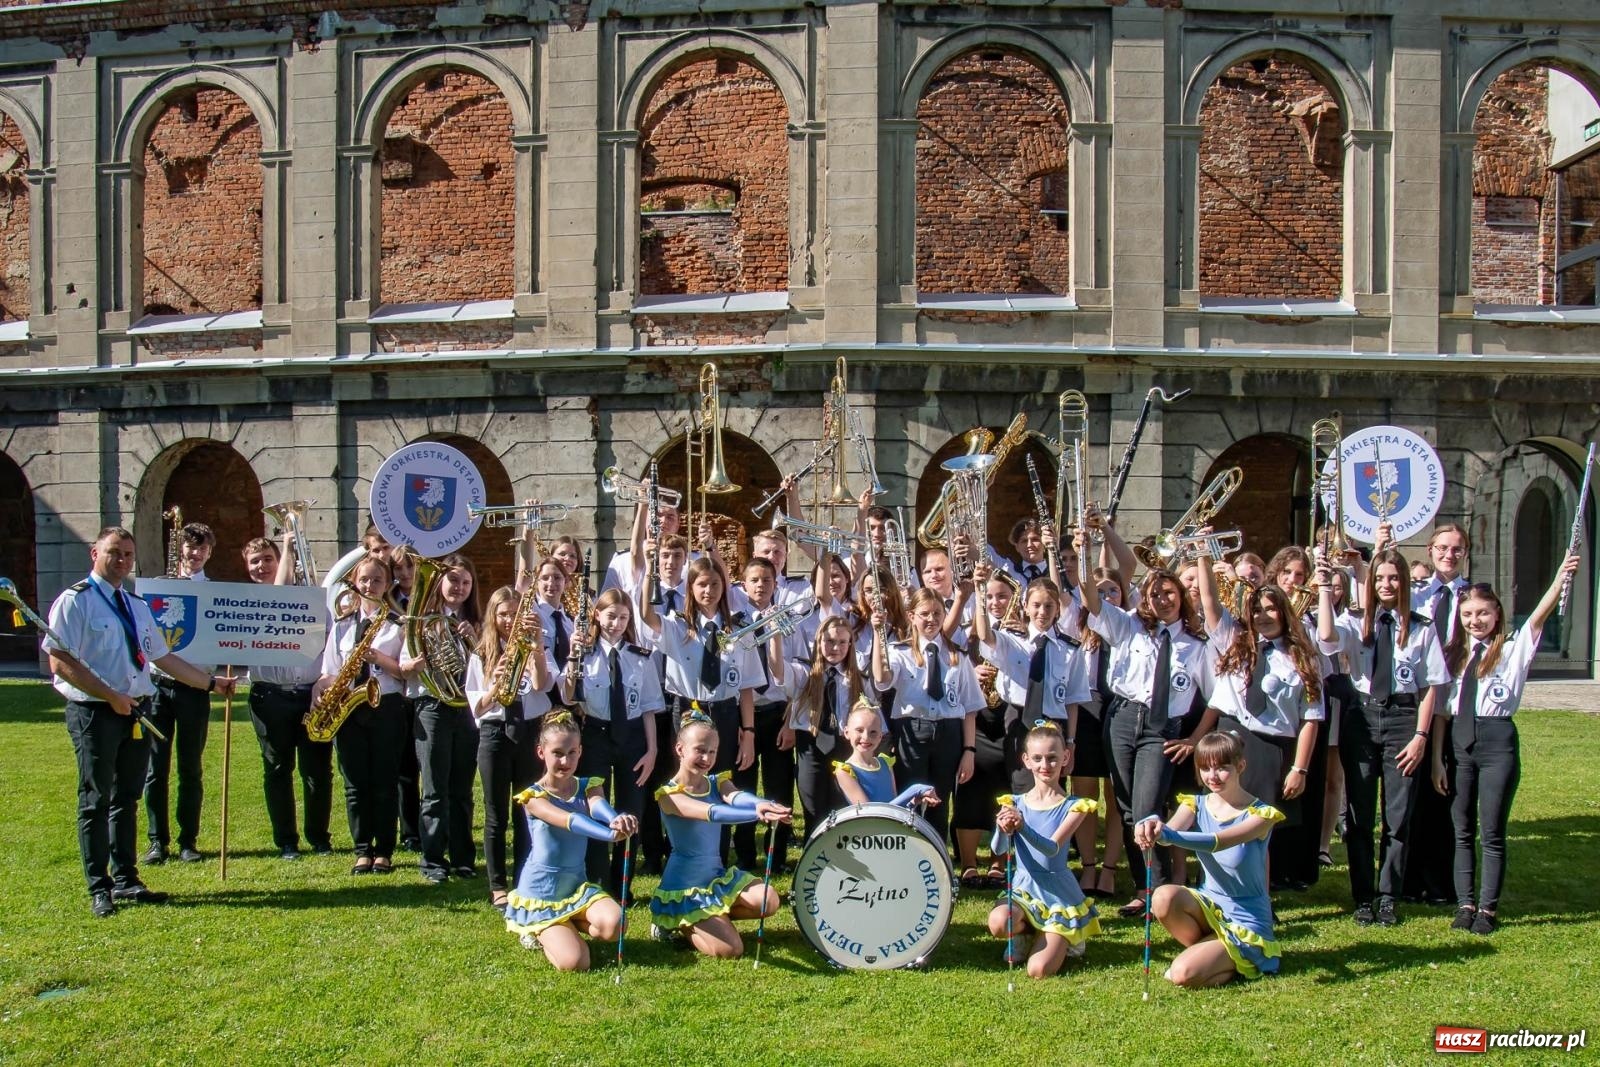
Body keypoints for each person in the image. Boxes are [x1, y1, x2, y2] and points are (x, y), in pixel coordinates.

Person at [45, 526, 237, 917]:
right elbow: (60, 662)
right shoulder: (75, 602)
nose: (122, 561)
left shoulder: (135, 605)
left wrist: (211, 683)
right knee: (95, 800)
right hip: (95, 712)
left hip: (135, 709)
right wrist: (110, 696)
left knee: (126, 799)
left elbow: (162, 657)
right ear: (95, 553)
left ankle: (127, 878)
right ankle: (100, 887)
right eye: (114, 553)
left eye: (128, 555)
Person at [1432, 555, 1578, 936]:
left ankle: (1487, 908)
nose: (1474, 621)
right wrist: (1437, 760)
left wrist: (1561, 575)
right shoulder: (1456, 656)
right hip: (1461, 745)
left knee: (1491, 830)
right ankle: (1464, 903)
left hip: (1497, 743)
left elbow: (1539, 616)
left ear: (1497, 614)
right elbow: (1443, 714)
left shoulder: (1513, 650)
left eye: (1482, 613)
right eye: (1467, 615)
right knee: (1461, 828)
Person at [1078, 527, 1211, 920]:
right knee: (1126, 808)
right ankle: (1144, 888)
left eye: (1170, 593)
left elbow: (1217, 699)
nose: (1162, 599)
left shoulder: (1195, 644)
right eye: (1155, 594)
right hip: (1121, 719)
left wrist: (1194, 738)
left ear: (1181, 597)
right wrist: (1088, 545)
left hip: (1163, 728)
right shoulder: (1128, 625)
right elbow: (1090, 596)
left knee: (1148, 808)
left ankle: (1162, 888)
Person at [1315, 544, 1448, 927]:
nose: (1387, 584)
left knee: (1398, 814)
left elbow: (1430, 687)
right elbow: (1326, 637)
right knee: (1358, 815)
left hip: (1404, 720)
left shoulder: (1420, 627)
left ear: (1404, 583)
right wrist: (1325, 587)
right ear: (1370, 583)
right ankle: (1363, 896)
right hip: (1361, 717)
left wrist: (1421, 736)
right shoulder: (1358, 623)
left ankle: (1389, 894)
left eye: (1393, 578)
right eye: (1380, 578)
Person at [1193, 548, 1322, 887]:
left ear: (1284, 612)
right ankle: (1216, 890)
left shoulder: (1302, 657)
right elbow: (1209, 601)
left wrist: (1300, 768)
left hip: (1270, 747)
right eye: (1257, 610)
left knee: (1259, 828)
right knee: (1221, 817)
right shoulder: (1235, 641)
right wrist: (1204, 558)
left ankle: (1258, 894)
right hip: (1232, 739)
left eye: (1270, 609)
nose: (1263, 616)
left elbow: (1311, 718)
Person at [1134, 731, 1284, 988]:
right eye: (1205, 768)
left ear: (1241, 766)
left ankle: (1226, 956)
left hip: (1246, 919)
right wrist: (1150, 824)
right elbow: (1169, 832)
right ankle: (1212, 950)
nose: (1212, 776)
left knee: (1181, 975)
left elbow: (1218, 841)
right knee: (1162, 897)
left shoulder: (1261, 815)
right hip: (1209, 906)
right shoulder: (1195, 803)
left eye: (1222, 768)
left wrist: (1167, 834)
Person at [649, 710, 791, 958]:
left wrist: (764, 803)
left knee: (768, 900)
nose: (706, 757)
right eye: (700, 750)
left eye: (712, 751)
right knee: (731, 950)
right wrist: (757, 814)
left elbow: (736, 798)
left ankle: (712, 916)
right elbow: (713, 813)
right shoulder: (669, 795)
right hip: (685, 888)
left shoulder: (717, 781)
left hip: (715, 878)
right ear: (680, 749)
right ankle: (676, 921)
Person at [504, 712, 631, 971]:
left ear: (581, 751)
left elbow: (597, 805)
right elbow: (569, 819)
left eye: (572, 752)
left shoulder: (588, 785)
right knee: (575, 963)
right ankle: (539, 929)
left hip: (575, 888)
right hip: (542, 893)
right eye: (558, 753)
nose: (566, 760)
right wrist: (609, 835)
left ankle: (566, 924)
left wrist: (616, 819)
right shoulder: (534, 797)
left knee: (616, 924)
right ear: (541, 752)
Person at [560, 587, 664, 896]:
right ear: (596, 615)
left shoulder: (640, 657)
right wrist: (572, 655)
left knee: (632, 812)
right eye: (610, 616)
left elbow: (648, 707)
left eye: (622, 617)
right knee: (595, 809)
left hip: (632, 738)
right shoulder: (585, 652)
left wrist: (652, 750)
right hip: (596, 735)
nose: (616, 623)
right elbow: (568, 697)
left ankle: (622, 886)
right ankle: (597, 881)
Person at [313, 553, 406, 875]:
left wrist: (377, 657)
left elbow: (405, 674)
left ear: (387, 585)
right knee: (355, 783)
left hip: (387, 706)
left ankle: (384, 851)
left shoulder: (397, 625)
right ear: (354, 582)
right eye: (364, 579)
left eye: (377, 580)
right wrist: (322, 690)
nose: (370, 585)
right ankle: (362, 849)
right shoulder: (342, 625)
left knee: (384, 780)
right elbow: (328, 671)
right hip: (349, 707)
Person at [243, 533, 333, 860]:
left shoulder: (312, 601)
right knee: (278, 769)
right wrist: (287, 546)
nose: (263, 566)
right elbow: (275, 601)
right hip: (270, 696)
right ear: (247, 567)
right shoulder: (248, 602)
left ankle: (319, 837)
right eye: (256, 561)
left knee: (317, 770)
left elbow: (329, 643)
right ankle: (286, 841)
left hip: (310, 695)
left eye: (269, 559)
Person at [871, 586, 984, 844]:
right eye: (924, 614)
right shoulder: (900, 652)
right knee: (910, 796)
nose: (931, 619)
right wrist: (879, 634)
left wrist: (969, 750)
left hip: (949, 733)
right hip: (912, 732)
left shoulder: (957, 656)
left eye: (936, 613)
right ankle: (908, 851)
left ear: (945, 615)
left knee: (940, 799)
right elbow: (882, 679)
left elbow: (970, 708)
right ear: (911, 616)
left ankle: (936, 853)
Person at [989, 720, 1102, 977]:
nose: (1045, 766)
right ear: (1026, 760)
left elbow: (1051, 848)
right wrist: (1002, 827)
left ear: (1065, 757)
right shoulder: (1015, 802)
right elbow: (998, 848)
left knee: (1038, 970)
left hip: (1057, 895)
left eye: (1052, 758)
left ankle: (1063, 937)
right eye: (1037, 759)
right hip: (1024, 888)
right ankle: (1028, 934)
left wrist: (1022, 826)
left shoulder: (1074, 806)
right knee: (998, 923)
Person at [467, 585, 553, 912]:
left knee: (526, 810)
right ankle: (497, 885)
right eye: (502, 614)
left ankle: (524, 877)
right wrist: (495, 686)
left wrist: (538, 651)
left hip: (529, 731)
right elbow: (475, 704)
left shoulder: (532, 647)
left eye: (514, 614)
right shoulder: (481, 653)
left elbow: (544, 685)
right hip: (495, 732)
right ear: (493, 616)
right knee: (495, 814)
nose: (508, 620)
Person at [400, 552, 482, 884]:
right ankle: (433, 860)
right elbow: (405, 665)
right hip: (432, 707)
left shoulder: (476, 622)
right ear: (440, 581)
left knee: (462, 790)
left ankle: (463, 858)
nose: (459, 587)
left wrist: (473, 641)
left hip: (465, 710)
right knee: (434, 789)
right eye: (453, 580)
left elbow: (488, 669)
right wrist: (412, 666)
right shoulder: (420, 619)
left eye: (465, 582)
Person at [143, 520, 217, 865]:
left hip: (195, 689)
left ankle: (189, 840)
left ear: (209, 552)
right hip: (158, 687)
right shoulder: (159, 588)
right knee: (155, 769)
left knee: (191, 767)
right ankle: (158, 840)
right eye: (190, 547)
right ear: (181, 549)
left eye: (202, 548)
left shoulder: (215, 591)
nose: (195, 553)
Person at [1406, 524, 1472, 905]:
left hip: (1456, 702)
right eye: (1443, 548)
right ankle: (1410, 880)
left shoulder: (1473, 595)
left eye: (1457, 549)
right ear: (1430, 550)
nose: (1450, 554)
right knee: (1411, 795)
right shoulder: (1416, 596)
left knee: (1446, 792)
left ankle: (1441, 882)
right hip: (1418, 699)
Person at [771, 613, 865, 836]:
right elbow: (778, 670)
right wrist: (774, 636)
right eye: (830, 641)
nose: (835, 647)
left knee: (841, 807)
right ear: (819, 642)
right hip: (811, 748)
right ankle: (813, 857)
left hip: (844, 747)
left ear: (850, 644)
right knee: (813, 808)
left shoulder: (857, 678)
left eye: (842, 642)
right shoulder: (805, 673)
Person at [1072, 566, 1126, 899]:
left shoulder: (1130, 627)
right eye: (1099, 591)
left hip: (1118, 707)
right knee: (1084, 795)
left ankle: (1109, 868)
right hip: (1088, 709)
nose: (1106, 598)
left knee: (1115, 796)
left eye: (1112, 591)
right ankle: (1088, 865)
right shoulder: (1079, 627)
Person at [832, 701, 938, 808]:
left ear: (881, 736)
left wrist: (914, 800)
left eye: (873, 732)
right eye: (859, 730)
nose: (866, 737)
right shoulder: (845, 771)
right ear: (846, 732)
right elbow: (870, 812)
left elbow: (895, 810)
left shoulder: (885, 763)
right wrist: (914, 789)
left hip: (887, 823)